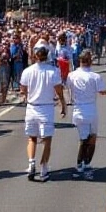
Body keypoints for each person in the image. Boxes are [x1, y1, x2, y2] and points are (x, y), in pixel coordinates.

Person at [19, 42, 67, 182]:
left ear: (35, 56)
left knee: (32, 138)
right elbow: (59, 90)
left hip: (32, 107)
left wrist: (28, 96)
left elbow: (23, 89)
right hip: (46, 108)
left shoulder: (27, 71)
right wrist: (63, 104)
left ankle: (31, 163)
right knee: (47, 140)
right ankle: (43, 167)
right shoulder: (53, 71)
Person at [66, 50, 106, 179]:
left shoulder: (72, 75)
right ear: (90, 61)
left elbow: (68, 88)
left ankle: (81, 164)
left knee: (83, 139)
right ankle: (85, 163)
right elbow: (103, 91)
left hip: (78, 109)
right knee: (92, 138)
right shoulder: (95, 76)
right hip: (90, 109)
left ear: (80, 61)